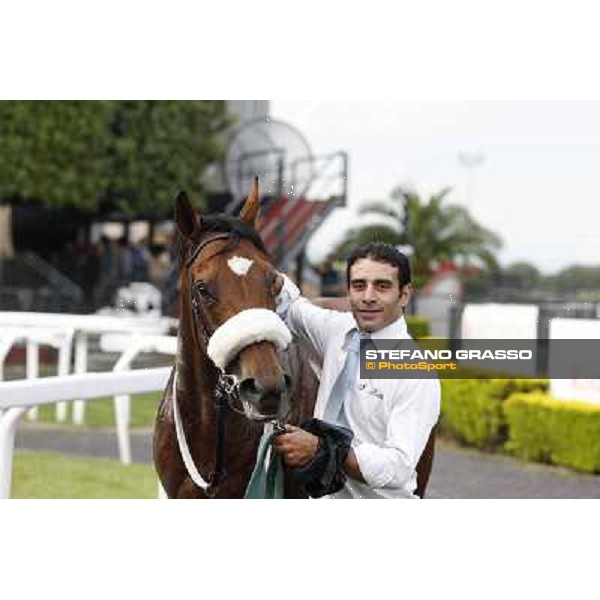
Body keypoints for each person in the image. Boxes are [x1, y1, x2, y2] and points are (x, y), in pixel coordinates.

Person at [272, 242, 440, 499]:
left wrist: (322, 450)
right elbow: (291, 306)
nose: (368, 296)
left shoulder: (415, 372)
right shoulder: (335, 330)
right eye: (359, 285)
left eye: (382, 286)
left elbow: (398, 468)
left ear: (404, 294)